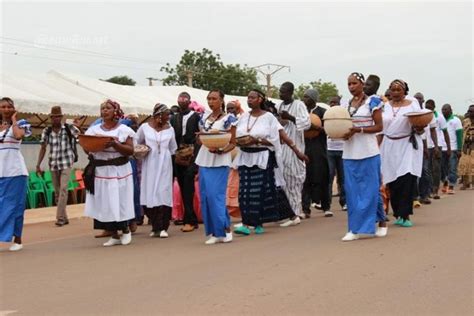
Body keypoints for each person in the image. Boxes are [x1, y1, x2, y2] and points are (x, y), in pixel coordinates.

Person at [83, 100, 135, 247]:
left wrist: (115, 144)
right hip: (101, 170)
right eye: (102, 108)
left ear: (115, 111)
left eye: (108, 108)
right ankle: (113, 234)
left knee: (120, 200)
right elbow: (87, 147)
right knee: (106, 202)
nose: (104, 111)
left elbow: (130, 150)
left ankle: (125, 230)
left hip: (119, 170)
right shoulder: (94, 130)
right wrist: (91, 148)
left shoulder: (124, 130)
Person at [341, 73, 385, 241]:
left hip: (368, 152)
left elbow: (379, 126)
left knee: (371, 190)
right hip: (350, 153)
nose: (351, 87)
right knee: (353, 191)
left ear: (362, 84)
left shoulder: (373, 102)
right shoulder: (345, 104)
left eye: (354, 83)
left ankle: (377, 224)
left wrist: (358, 130)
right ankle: (354, 228)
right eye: (349, 84)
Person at [232, 90, 282, 235]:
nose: (250, 100)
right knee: (244, 192)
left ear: (260, 99)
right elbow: (236, 135)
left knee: (259, 191)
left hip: (262, 157)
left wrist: (257, 140)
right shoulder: (243, 117)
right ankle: (246, 223)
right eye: (248, 97)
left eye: (253, 97)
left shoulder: (269, 117)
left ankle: (257, 223)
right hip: (245, 156)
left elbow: (274, 141)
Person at [380, 80, 424, 228]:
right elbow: (381, 129)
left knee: (406, 178)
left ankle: (405, 215)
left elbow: (420, 125)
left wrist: (419, 128)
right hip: (389, 146)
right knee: (392, 181)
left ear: (404, 91)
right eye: (393, 90)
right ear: (390, 91)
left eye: (399, 90)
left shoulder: (412, 104)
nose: (396, 92)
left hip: (407, 145)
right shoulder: (385, 106)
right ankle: (398, 213)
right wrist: (377, 147)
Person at [195, 90, 237, 244]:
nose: (211, 101)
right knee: (205, 196)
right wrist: (200, 138)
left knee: (216, 196)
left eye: (214, 99)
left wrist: (221, 150)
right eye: (208, 99)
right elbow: (202, 140)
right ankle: (214, 231)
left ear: (221, 100)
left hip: (219, 160)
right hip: (205, 159)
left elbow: (233, 142)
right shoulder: (204, 117)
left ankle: (225, 230)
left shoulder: (229, 119)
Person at [136, 103, 177, 238]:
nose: (168, 117)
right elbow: (137, 142)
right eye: (166, 115)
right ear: (159, 115)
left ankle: (163, 227)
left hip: (165, 165)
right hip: (149, 164)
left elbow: (173, 148)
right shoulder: (144, 128)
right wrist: (143, 149)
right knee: (150, 192)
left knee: (163, 192)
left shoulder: (170, 129)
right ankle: (154, 226)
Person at [36, 106, 80, 226]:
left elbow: (80, 136)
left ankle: (59, 218)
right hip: (53, 164)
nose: (56, 119)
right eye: (53, 117)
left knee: (63, 189)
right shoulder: (47, 131)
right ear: (51, 118)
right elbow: (43, 147)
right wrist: (38, 164)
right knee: (57, 192)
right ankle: (64, 217)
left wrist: (77, 125)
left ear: (61, 117)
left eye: (58, 116)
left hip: (66, 162)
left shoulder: (68, 128)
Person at [0, 97, 31, 251]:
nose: (6, 109)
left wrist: (14, 120)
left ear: (13, 108)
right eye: (3, 107)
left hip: (15, 172)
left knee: (15, 206)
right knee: (2, 206)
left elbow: (19, 136)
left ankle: (17, 239)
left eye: (9, 107)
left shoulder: (20, 123)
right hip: (1, 171)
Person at [276, 82, 311, 217]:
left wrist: (290, 117)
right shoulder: (279, 105)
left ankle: (295, 212)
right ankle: (286, 212)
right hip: (281, 148)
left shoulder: (299, 105)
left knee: (294, 180)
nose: (281, 94)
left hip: (295, 146)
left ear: (291, 92)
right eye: (280, 91)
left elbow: (306, 123)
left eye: (283, 92)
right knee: (283, 181)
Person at [170, 92, 201, 232]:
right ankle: (190, 218)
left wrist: (196, 161)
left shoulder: (196, 117)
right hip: (178, 155)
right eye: (180, 99)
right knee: (183, 188)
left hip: (192, 155)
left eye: (185, 99)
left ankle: (190, 220)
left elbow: (199, 138)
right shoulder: (174, 118)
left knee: (189, 187)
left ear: (189, 101)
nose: (182, 101)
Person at [302, 89, 332, 217]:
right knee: (305, 178)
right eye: (303, 97)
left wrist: (316, 127)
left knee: (323, 176)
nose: (304, 99)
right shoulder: (301, 112)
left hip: (319, 148)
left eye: (306, 97)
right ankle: (305, 209)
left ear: (313, 99)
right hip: (304, 147)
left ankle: (326, 207)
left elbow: (328, 130)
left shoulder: (323, 112)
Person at [424, 100, 451, 198]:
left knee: (436, 168)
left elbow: (445, 132)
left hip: (437, 146)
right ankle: (429, 190)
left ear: (434, 107)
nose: (428, 109)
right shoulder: (423, 115)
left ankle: (435, 190)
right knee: (427, 169)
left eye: (430, 107)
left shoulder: (439, 117)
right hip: (426, 145)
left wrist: (448, 147)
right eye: (426, 107)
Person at [326, 96, 347, 211]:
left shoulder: (344, 116)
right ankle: (327, 204)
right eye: (331, 102)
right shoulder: (327, 116)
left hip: (343, 149)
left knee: (342, 178)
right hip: (330, 150)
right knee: (329, 176)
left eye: (335, 102)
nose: (333, 104)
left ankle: (344, 202)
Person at [442, 104, 463, 194]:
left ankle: (451, 186)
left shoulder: (456, 120)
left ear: (451, 110)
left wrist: (459, 149)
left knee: (452, 168)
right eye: (442, 109)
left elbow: (459, 135)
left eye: (446, 109)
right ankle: (445, 182)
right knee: (443, 168)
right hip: (442, 148)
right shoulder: (441, 120)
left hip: (453, 148)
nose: (444, 111)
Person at [458, 105, 474, 189]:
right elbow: (462, 134)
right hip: (465, 146)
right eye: (469, 111)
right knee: (463, 164)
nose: (470, 113)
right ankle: (465, 183)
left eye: (472, 111)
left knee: (472, 165)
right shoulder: (465, 122)